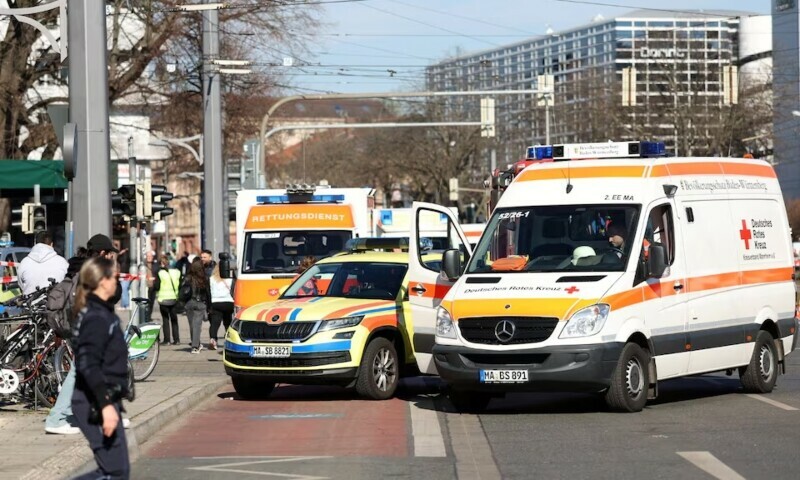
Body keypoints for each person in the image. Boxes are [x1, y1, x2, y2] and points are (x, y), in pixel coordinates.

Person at [45, 234, 126, 436]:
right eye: (109, 253)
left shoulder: (79, 266)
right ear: (102, 253)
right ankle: (56, 418)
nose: (110, 257)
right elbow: (113, 294)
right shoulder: (95, 270)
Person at [71, 256, 131, 479]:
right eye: (114, 276)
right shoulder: (96, 317)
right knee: (114, 472)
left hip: (102, 398)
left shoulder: (101, 312)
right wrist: (105, 406)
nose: (117, 280)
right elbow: (88, 364)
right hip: (94, 402)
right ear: (103, 281)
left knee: (117, 471)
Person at [17, 230, 69, 295]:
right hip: (56, 303)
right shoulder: (63, 263)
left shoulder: (24, 263)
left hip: (29, 303)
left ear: (35, 243)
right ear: (51, 244)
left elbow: (21, 285)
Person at [153, 254, 182, 346]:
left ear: (161, 263)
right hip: (174, 298)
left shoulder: (160, 273)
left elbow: (157, 287)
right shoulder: (177, 272)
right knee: (174, 320)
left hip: (163, 299)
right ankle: (177, 340)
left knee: (165, 320)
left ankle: (167, 340)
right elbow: (180, 285)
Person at [184, 260, 211, 354]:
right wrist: (209, 306)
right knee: (197, 326)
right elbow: (208, 293)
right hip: (200, 304)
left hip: (189, 303)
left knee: (192, 325)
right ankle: (195, 346)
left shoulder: (188, 278)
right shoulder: (204, 278)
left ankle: (195, 344)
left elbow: (183, 291)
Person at [208, 264, 234, 350]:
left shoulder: (211, 279)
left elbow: (208, 293)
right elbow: (234, 291)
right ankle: (230, 340)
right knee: (228, 322)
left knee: (215, 323)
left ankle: (213, 340)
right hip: (228, 302)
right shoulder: (230, 279)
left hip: (216, 303)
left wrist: (209, 305)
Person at [144, 251, 158, 322]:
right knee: (145, 304)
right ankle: (145, 317)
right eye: (148, 256)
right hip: (145, 287)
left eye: (150, 257)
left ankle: (149, 317)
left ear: (152, 257)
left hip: (153, 287)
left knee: (151, 303)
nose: (149, 258)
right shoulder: (143, 266)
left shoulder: (155, 265)